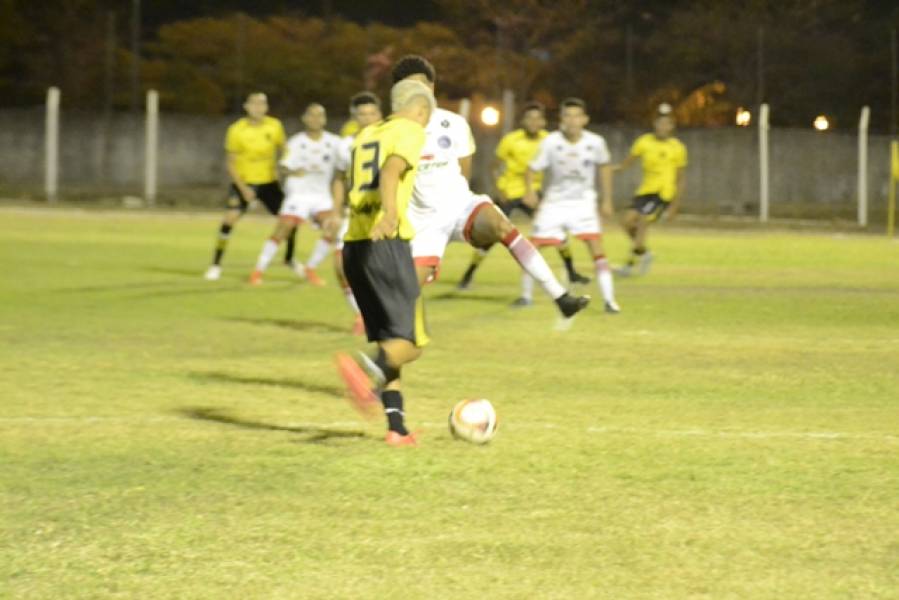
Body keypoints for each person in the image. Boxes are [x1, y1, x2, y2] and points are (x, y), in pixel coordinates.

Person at [391, 55, 590, 319]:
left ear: (432, 88)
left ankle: (561, 297)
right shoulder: (390, 132)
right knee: (402, 298)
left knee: (502, 226)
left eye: (421, 86)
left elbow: (464, 171)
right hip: (421, 223)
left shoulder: (454, 123)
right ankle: (384, 349)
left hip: (459, 206)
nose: (417, 94)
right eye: (409, 88)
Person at [334, 79, 435, 447]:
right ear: (421, 109)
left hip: (356, 246)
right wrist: (391, 213)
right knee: (412, 344)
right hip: (386, 244)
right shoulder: (409, 129)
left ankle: (397, 428)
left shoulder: (366, 134)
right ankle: (367, 370)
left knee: (392, 340)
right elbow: (391, 171)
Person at [456, 102, 589, 290]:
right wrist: (499, 188)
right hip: (509, 194)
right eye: (529, 118)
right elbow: (494, 166)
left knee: (556, 229)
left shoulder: (549, 140)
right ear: (523, 121)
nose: (534, 122)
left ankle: (572, 272)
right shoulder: (511, 139)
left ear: (543, 122)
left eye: (537, 118)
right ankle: (468, 275)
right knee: (491, 236)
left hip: (532, 194)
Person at [518, 98, 620, 313]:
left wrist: (608, 200)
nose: (572, 120)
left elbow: (605, 168)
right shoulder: (551, 142)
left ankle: (610, 301)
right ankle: (525, 297)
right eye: (567, 115)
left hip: (583, 203)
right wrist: (529, 190)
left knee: (596, 248)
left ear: (585, 119)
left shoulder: (596, 142)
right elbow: (531, 168)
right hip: (555, 203)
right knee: (531, 247)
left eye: (577, 116)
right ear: (561, 119)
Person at [249, 103, 342, 286]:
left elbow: (345, 164)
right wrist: (291, 172)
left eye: (319, 115)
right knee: (283, 229)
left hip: (321, 196)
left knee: (334, 228)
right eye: (312, 115)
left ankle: (310, 268)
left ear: (324, 119)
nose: (316, 119)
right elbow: (283, 166)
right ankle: (258, 271)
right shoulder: (296, 142)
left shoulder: (334, 142)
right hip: (298, 194)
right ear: (305, 118)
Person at [204, 92, 290, 281]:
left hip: (269, 182)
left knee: (289, 219)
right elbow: (230, 163)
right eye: (254, 104)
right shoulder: (236, 130)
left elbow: (285, 149)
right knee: (229, 219)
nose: (258, 107)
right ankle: (215, 265)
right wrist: (244, 189)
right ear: (246, 106)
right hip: (244, 182)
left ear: (266, 107)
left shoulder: (274, 126)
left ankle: (289, 259)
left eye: (262, 104)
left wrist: (282, 166)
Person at [614, 103, 688, 276]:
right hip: (644, 191)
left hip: (663, 193)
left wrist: (674, 206)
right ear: (655, 124)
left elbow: (681, 178)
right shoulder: (643, 142)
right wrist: (610, 169)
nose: (663, 127)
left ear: (672, 126)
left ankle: (630, 265)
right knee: (626, 222)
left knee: (642, 220)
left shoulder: (677, 148)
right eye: (660, 123)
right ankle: (643, 252)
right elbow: (626, 164)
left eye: (667, 123)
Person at [333, 92, 384, 335]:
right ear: (354, 117)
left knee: (379, 267)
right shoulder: (344, 145)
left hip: (383, 212)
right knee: (340, 265)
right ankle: (361, 314)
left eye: (372, 113)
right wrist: (335, 211)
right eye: (362, 114)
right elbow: (339, 179)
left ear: (380, 115)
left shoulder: (390, 140)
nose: (367, 118)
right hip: (354, 212)